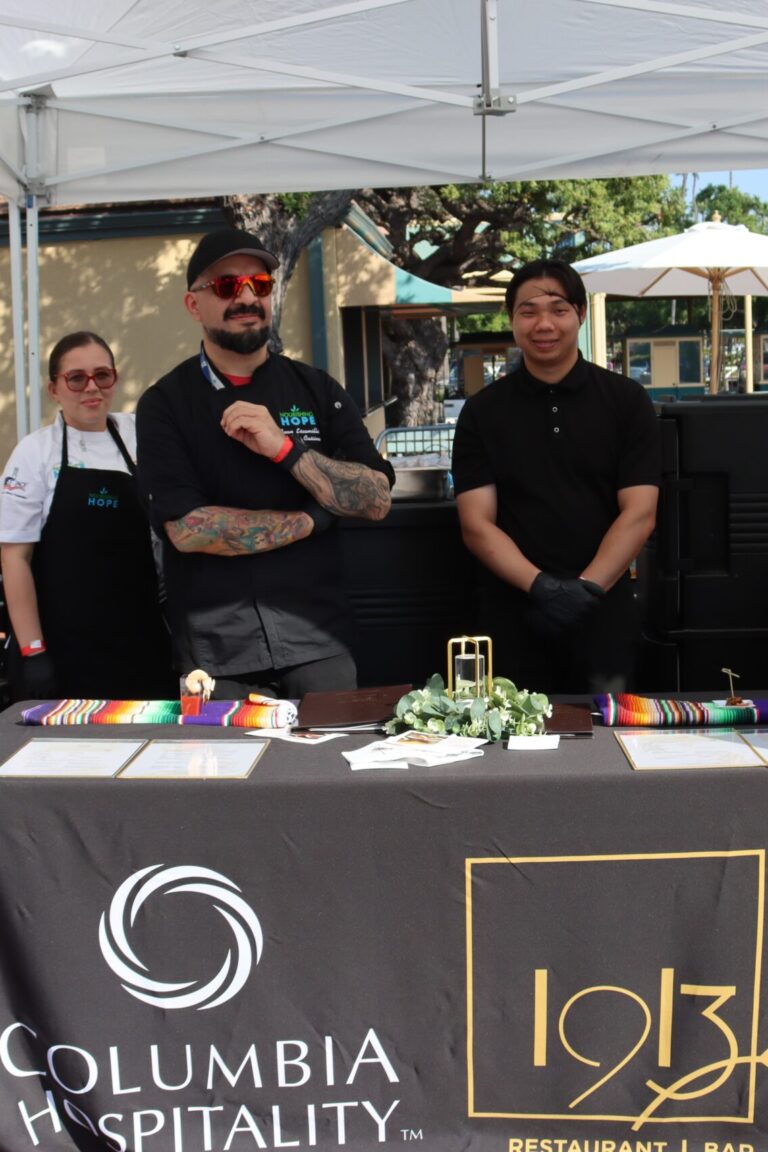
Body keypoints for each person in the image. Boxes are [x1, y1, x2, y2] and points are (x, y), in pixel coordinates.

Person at [136, 227, 394, 700]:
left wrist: (284, 449)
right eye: (228, 285)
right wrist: (313, 520)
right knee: (225, 774)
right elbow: (188, 528)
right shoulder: (164, 404)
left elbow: (376, 499)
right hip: (216, 653)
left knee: (323, 772)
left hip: (319, 641)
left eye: (261, 284)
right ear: (193, 304)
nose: (247, 296)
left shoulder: (316, 388)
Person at [451, 258, 661, 694]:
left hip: (604, 613)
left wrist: (585, 590)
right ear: (511, 320)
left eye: (558, 309)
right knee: (510, 748)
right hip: (513, 615)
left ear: (580, 315)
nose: (543, 323)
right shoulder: (482, 412)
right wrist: (543, 587)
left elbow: (639, 513)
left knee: (610, 746)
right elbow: (476, 524)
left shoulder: (627, 401)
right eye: (528, 311)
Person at [0, 332, 174, 700]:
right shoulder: (35, 453)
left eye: (102, 375)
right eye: (76, 378)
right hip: (62, 652)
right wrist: (33, 652)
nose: (91, 387)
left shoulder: (140, 434)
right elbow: (14, 557)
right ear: (54, 389)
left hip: (141, 648)